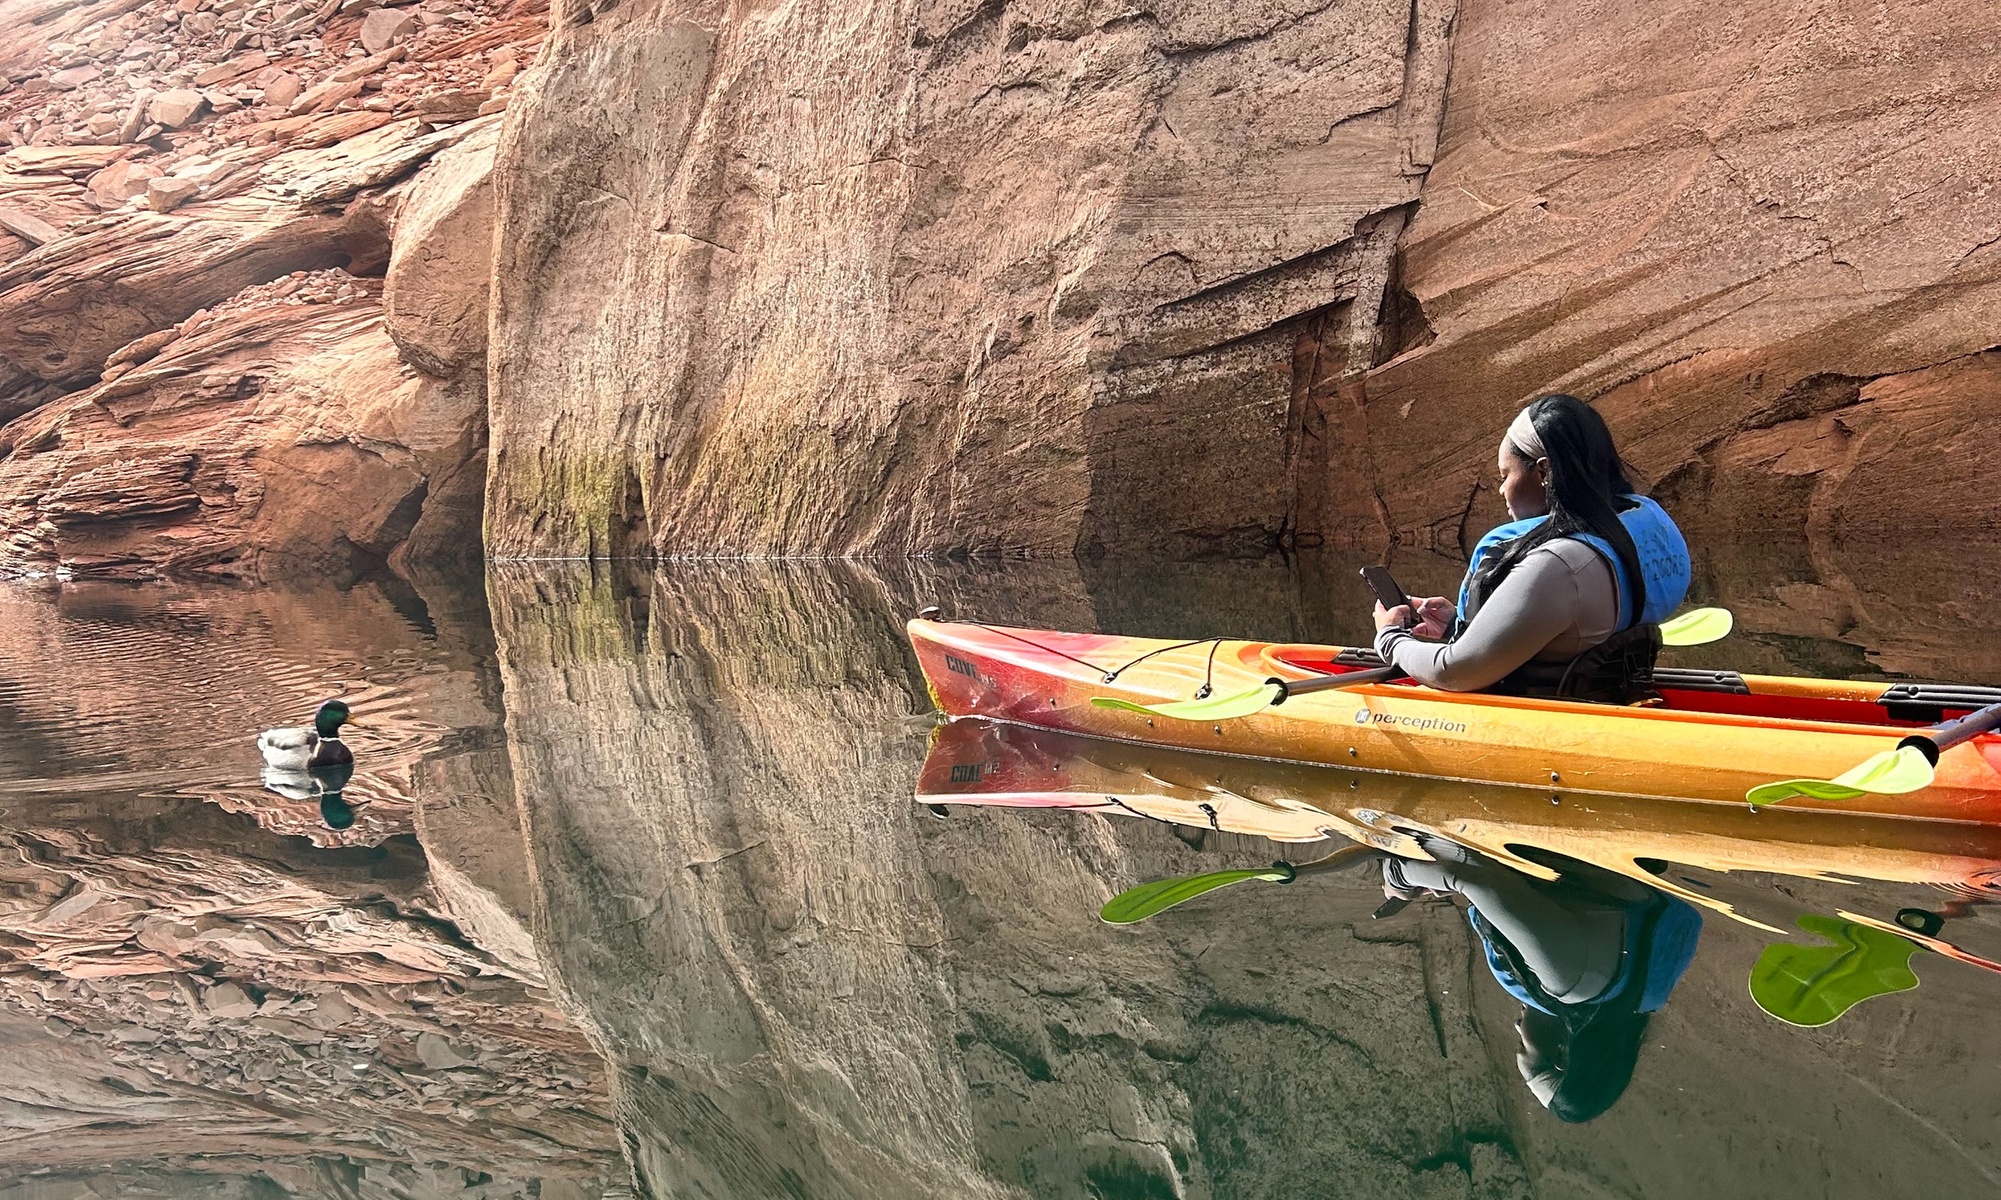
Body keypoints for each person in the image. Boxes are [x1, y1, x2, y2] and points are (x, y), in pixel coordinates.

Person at [1373, 394, 1691, 701]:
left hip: (1555, 719)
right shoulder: (1636, 524)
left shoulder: (1559, 565)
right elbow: (1567, 626)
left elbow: (1454, 671)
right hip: (1610, 694)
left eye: (1505, 475)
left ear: (1542, 472)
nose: (1501, 489)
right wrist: (1460, 626)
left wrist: (1391, 640)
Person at [1382, 838, 1702, 1122]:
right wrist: (1399, 876)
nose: (1518, 1028)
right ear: (1562, 1052)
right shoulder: (1575, 981)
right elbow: (1473, 878)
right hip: (1572, 839)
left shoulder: (1645, 998)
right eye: (1524, 1046)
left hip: (1621, 857)